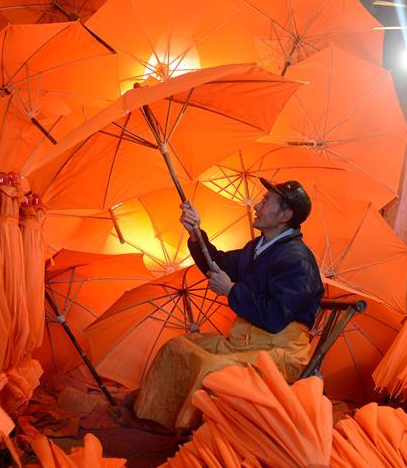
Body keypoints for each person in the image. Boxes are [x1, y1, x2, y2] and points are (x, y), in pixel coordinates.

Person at [133, 178, 324, 430]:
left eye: (266, 202)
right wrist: (195, 233)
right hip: (242, 342)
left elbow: (275, 317)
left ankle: (191, 434)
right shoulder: (257, 247)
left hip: (279, 353)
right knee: (178, 345)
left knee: (214, 369)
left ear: (284, 215)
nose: (257, 206)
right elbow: (219, 265)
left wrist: (232, 290)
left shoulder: (297, 259)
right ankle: (157, 422)